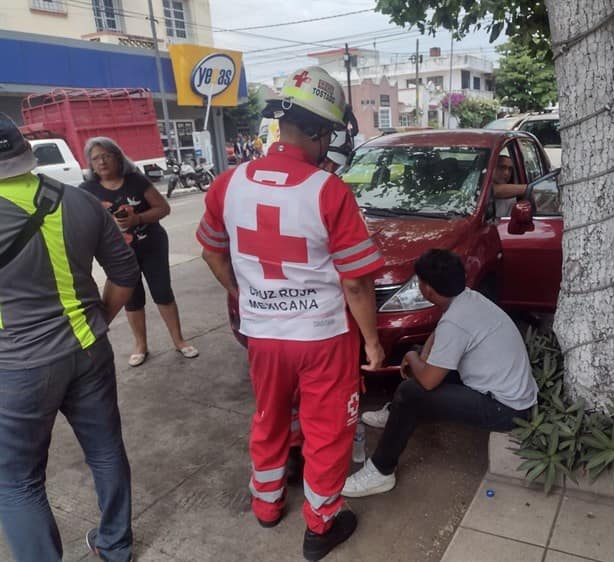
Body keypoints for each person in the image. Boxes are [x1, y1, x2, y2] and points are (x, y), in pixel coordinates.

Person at [197, 65, 384, 561]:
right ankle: (321, 526)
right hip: (322, 336)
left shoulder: (227, 184)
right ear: (323, 132)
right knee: (328, 429)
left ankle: (267, 504)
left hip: (262, 334)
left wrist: (245, 295)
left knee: (269, 414)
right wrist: (371, 339)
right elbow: (356, 280)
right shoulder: (329, 191)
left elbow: (212, 252)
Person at [0, 113, 138, 561]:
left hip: (17, 368)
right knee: (105, 450)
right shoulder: (79, 202)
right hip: (89, 349)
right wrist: (97, 320)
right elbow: (124, 275)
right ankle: (115, 548)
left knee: (17, 482)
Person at [344, 249, 538, 498]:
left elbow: (427, 380)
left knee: (410, 391)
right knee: (422, 360)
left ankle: (381, 471)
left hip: (507, 410)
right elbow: (439, 337)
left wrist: (413, 358)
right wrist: (420, 355)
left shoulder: (456, 322)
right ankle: (396, 415)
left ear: (428, 289)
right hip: (506, 392)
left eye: (419, 282)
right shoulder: (467, 298)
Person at [80, 137, 198, 366]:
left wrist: (138, 218)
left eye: (106, 155)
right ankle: (141, 346)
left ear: (117, 157)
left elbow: (163, 208)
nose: (102, 162)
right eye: (96, 158)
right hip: (118, 254)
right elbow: (82, 220)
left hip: (151, 245)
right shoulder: (87, 190)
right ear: (90, 164)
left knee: (162, 292)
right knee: (132, 299)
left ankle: (179, 341)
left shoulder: (136, 181)